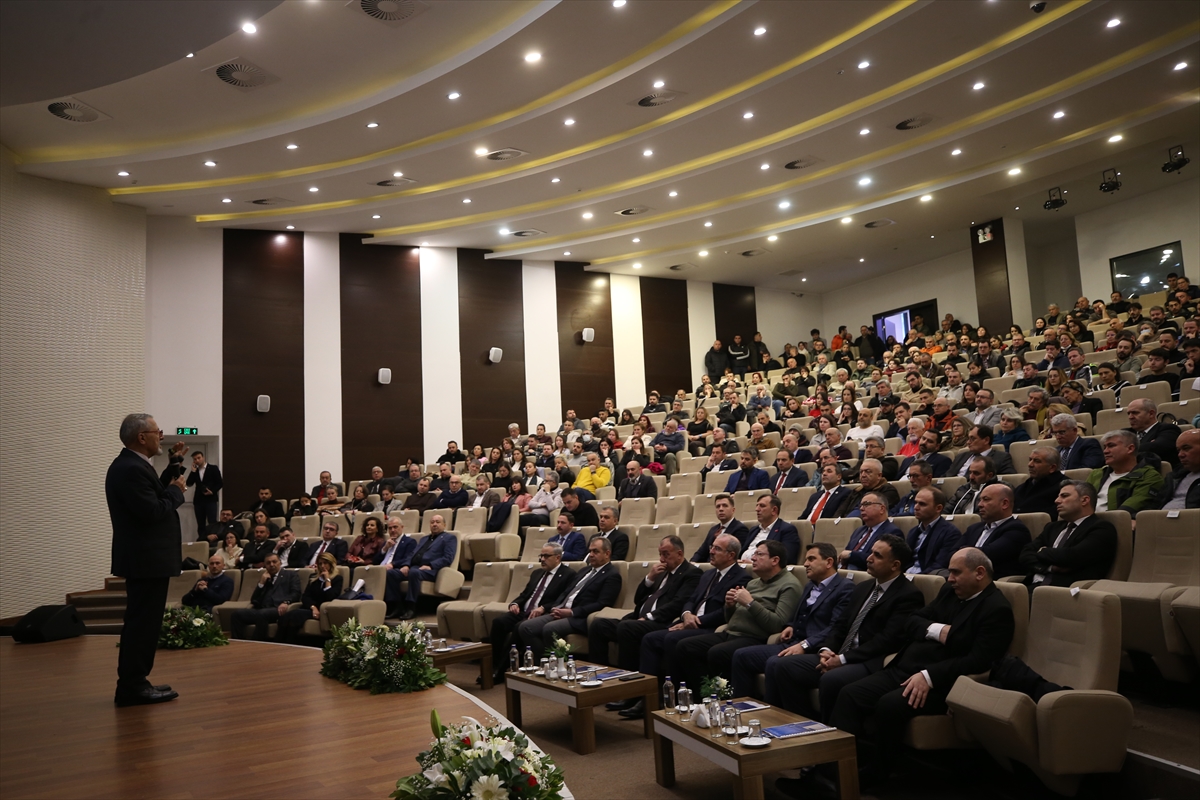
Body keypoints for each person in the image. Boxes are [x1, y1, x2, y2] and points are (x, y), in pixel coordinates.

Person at [829, 548, 1014, 786]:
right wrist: (938, 631)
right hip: (906, 668)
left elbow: (978, 660)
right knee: (849, 694)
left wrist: (929, 676)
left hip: (942, 682)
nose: (950, 578)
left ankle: (878, 775)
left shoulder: (996, 609)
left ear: (979, 573)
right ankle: (840, 769)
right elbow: (912, 621)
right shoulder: (950, 591)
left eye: (956, 573)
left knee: (889, 705)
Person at [765, 536, 923, 747]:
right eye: (871, 552)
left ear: (895, 565)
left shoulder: (908, 595)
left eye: (877, 555)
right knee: (782, 666)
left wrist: (842, 659)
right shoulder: (864, 587)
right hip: (839, 654)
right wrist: (826, 650)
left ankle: (831, 747)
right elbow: (840, 626)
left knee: (832, 679)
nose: (869, 558)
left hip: (870, 661)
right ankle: (801, 735)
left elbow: (886, 641)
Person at [106, 414, 187, 706]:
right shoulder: (130, 469)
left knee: (143, 623)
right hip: (146, 559)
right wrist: (177, 492)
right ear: (142, 437)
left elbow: (153, 495)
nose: (161, 436)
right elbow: (153, 511)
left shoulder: (134, 466)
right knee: (142, 624)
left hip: (145, 558)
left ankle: (136, 681)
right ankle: (131, 686)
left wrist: (173, 467)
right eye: (157, 432)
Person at [674, 541, 803, 692]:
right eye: (754, 554)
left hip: (756, 637)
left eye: (759, 554)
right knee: (685, 646)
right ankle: (704, 696)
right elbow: (731, 619)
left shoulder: (789, 585)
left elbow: (777, 624)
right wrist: (730, 606)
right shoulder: (754, 583)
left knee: (718, 653)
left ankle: (724, 697)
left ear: (775, 560)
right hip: (731, 633)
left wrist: (750, 603)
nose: (753, 558)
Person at [730, 543, 855, 699]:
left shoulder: (845, 588)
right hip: (794, 641)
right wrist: (790, 625)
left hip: (817, 649)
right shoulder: (810, 585)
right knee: (742, 656)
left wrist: (805, 644)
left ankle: (774, 714)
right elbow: (799, 614)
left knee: (775, 663)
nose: (805, 564)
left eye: (811, 559)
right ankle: (742, 708)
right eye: (805, 559)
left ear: (829, 562)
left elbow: (834, 628)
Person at [634, 534, 752, 697]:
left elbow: (726, 612)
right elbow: (691, 600)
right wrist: (686, 614)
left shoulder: (742, 577)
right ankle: (646, 696)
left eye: (717, 549)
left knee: (672, 639)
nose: (711, 551)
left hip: (710, 627)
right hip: (690, 622)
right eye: (711, 547)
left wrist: (696, 621)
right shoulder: (708, 574)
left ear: (731, 555)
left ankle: (676, 696)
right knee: (650, 638)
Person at [589, 536, 702, 682]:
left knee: (627, 627)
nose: (661, 559)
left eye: (666, 554)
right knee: (598, 625)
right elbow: (638, 600)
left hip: (661, 623)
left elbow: (677, 604)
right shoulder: (661, 572)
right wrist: (650, 578)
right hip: (639, 619)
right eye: (660, 554)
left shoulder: (691, 574)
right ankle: (599, 678)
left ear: (679, 554)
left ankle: (628, 684)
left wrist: (648, 617)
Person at [517, 536, 622, 658]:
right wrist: (555, 606)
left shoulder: (612, 575)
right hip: (561, 611)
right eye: (590, 551)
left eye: (596, 551)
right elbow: (566, 592)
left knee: (549, 629)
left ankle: (560, 665)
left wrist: (571, 612)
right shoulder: (585, 570)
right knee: (525, 627)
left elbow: (602, 604)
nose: (591, 555)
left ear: (607, 553)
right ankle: (544, 662)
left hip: (580, 617)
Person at [488, 543, 576, 684]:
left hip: (541, 615)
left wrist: (543, 607)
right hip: (524, 611)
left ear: (558, 557)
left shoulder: (568, 575)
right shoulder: (537, 573)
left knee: (519, 627)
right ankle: (492, 665)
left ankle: (501, 670)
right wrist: (515, 603)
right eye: (541, 555)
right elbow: (525, 594)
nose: (542, 559)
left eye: (546, 556)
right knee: (498, 623)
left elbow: (562, 599)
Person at [1020, 481, 1117, 592]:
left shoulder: (1102, 528)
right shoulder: (1052, 527)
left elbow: (1072, 557)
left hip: (1065, 591)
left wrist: (1042, 551)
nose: (1057, 501)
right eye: (1058, 496)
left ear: (1084, 500)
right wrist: (1049, 567)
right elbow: (1025, 554)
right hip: (1031, 586)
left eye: (1064, 496)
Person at [956, 483, 1031, 578]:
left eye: (986, 500)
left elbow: (987, 554)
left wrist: (962, 551)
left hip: (992, 582)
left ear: (1004, 504)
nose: (979, 505)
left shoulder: (1017, 530)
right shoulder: (974, 528)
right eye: (980, 500)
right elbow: (951, 553)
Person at [1087, 429, 1164, 519]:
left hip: (1112, 524)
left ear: (1130, 448)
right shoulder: (1096, 474)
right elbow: (1080, 502)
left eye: (1111, 446)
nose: (1105, 451)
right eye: (1105, 447)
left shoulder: (1149, 476)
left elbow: (1128, 509)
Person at [392, 514, 457, 619]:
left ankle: (411, 607)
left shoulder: (449, 538)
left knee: (414, 572)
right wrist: (406, 565)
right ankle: (397, 606)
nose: (434, 524)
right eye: (432, 522)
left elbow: (448, 558)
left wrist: (430, 565)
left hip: (432, 570)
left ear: (444, 525)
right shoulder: (424, 539)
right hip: (415, 568)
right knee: (391, 573)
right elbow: (412, 554)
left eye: (437, 522)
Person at [229, 553, 302, 641]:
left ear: (280, 562)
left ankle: (256, 642)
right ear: (265, 565)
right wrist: (261, 583)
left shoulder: (290, 575)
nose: (271, 565)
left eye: (274, 562)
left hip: (278, 608)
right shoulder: (265, 577)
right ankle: (238, 642)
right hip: (262, 609)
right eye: (268, 563)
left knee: (262, 614)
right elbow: (254, 600)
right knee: (236, 614)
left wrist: (286, 602)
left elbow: (296, 593)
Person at [275, 552, 343, 643]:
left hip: (323, 610)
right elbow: (305, 597)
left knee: (295, 616)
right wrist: (313, 607)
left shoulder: (337, 579)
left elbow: (330, 597)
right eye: (320, 563)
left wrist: (327, 580)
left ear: (331, 564)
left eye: (325, 563)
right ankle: (279, 644)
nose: (323, 566)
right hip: (310, 608)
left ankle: (288, 644)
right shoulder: (314, 578)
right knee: (286, 617)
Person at [839, 492, 904, 570]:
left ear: (882, 509)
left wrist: (852, 555)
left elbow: (880, 561)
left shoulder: (892, 532)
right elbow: (845, 553)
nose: (861, 508)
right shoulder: (859, 530)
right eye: (861, 505)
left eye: (866, 504)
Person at [905, 488, 961, 576]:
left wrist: (916, 577)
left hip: (927, 579)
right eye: (916, 502)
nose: (916, 507)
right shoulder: (913, 532)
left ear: (938, 508)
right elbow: (905, 560)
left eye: (922, 504)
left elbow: (940, 564)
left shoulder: (950, 533)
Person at [741, 494, 802, 565]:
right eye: (757, 505)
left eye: (762, 506)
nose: (757, 509)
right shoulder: (754, 530)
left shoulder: (786, 529)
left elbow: (786, 558)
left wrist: (754, 563)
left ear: (774, 510)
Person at [1126, 398, 1183, 470]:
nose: (1130, 417)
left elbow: (1157, 447)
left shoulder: (1168, 429)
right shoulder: (1126, 433)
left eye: (1135, 413)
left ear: (1151, 414)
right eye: (1128, 413)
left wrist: (1122, 450)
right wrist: (1148, 444)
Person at [690, 494, 751, 561]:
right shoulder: (713, 529)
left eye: (725, 506)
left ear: (733, 510)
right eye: (718, 506)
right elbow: (701, 552)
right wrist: (692, 563)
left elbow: (736, 555)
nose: (721, 509)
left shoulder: (740, 529)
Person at [1158, 429, 1200, 509]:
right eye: (1178, 450)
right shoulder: (1174, 477)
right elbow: (1155, 504)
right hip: (1159, 519)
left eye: (1186, 448)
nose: (1180, 455)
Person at [184, 450, 223, 529]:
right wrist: (192, 471)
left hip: (211, 500)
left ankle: (212, 540)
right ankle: (202, 539)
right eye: (195, 459)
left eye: (199, 458)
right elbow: (189, 483)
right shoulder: (195, 471)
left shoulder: (213, 468)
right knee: (200, 524)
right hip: (199, 501)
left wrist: (212, 491)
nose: (197, 460)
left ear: (203, 458)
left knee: (212, 522)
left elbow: (220, 483)